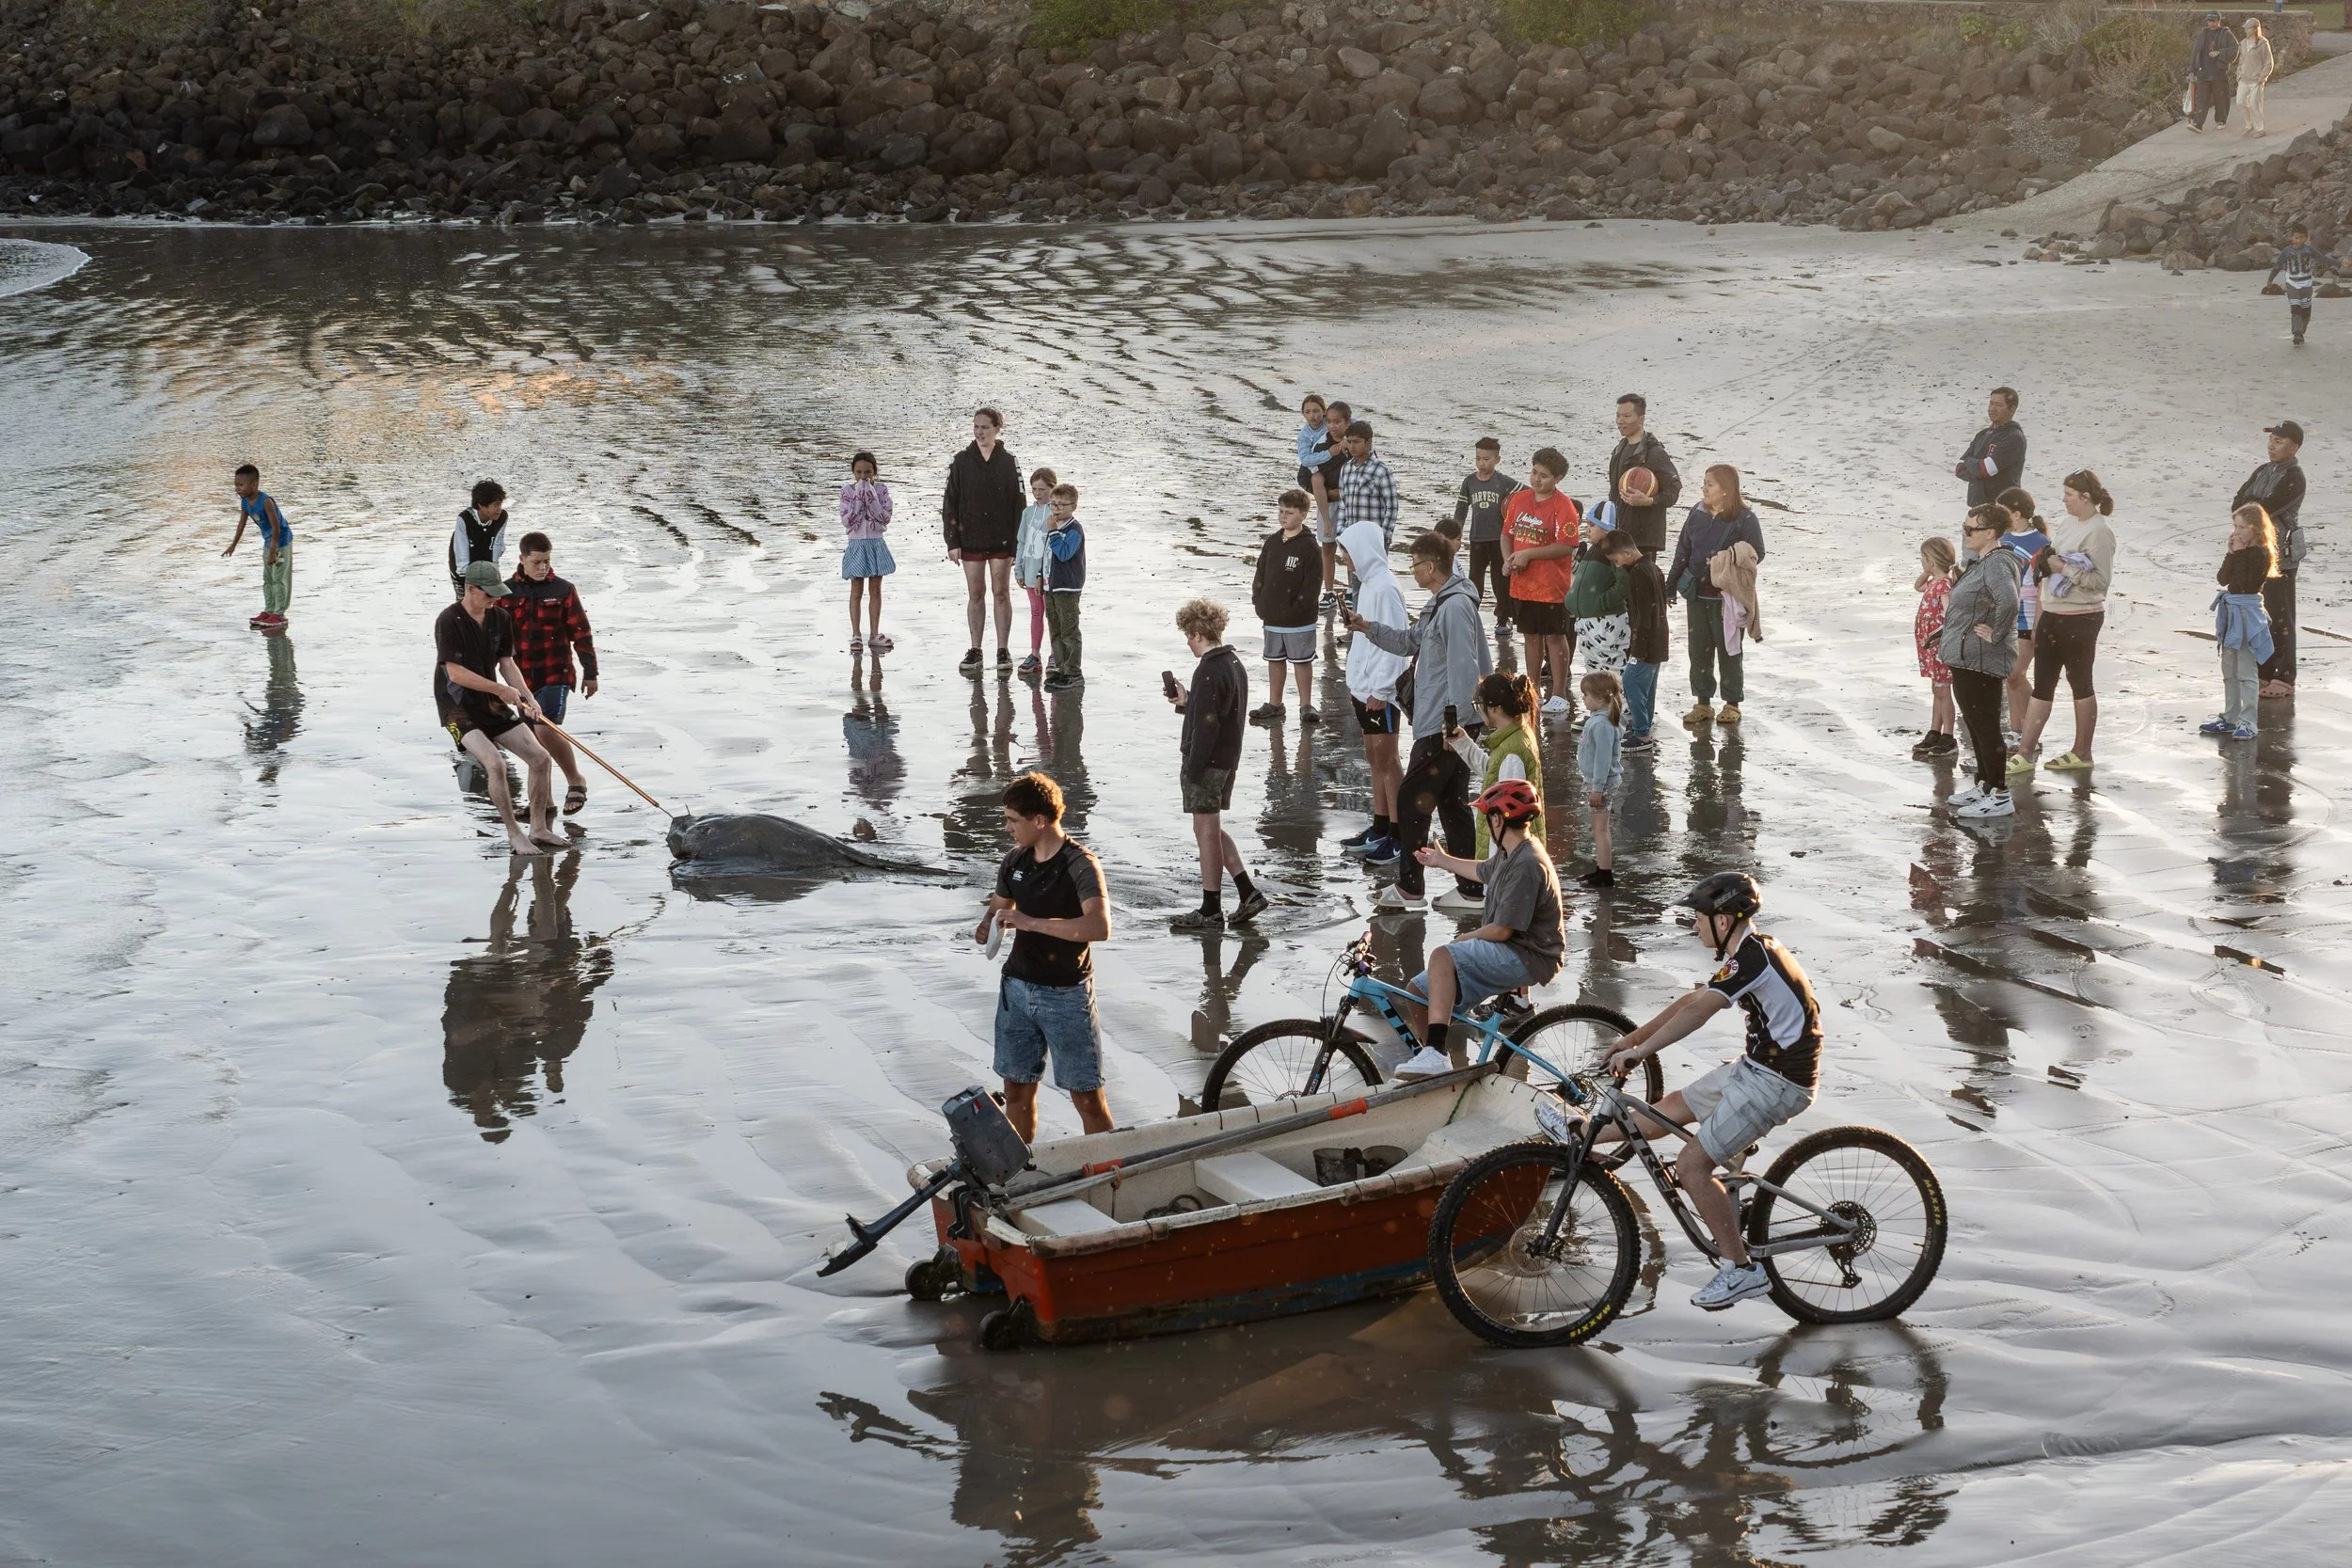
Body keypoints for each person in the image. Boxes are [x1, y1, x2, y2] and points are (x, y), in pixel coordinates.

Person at [1545, 872, 1822, 1313]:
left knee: (1692, 1166)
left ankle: (1740, 1268)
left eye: (1700, 916)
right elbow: (1689, 1003)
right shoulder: (1747, 952)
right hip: (1756, 1069)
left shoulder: (1754, 958)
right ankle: (1582, 1134)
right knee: (1666, 1109)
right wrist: (1633, 1038)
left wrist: (1642, 1053)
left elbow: (1702, 1014)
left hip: (1778, 1083)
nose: (1694, 924)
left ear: (1726, 919)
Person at [1347, 531, 1493, 913]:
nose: (1411, 570)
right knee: (1452, 805)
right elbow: (1409, 642)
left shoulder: (1456, 606)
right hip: (1442, 722)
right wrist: (1367, 627)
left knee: (1412, 801)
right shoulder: (1439, 603)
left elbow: (1465, 667)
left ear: (1430, 566)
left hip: (1446, 725)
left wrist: (1453, 725)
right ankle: (1471, 890)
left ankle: (1411, 889)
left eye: (1414, 564)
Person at [1390, 779, 1565, 1078]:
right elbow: (1483, 870)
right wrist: (1442, 861)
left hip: (1528, 955)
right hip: (1510, 948)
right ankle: (1441, 1065)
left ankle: (1435, 1054)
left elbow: (1501, 931)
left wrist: (1463, 939)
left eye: (1486, 817)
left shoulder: (1527, 863)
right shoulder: (1512, 852)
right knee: (1417, 992)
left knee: (1443, 955)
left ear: (1497, 819)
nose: (1485, 824)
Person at [977, 770, 1113, 1143]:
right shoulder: (1014, 861)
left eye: (1013, 820)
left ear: (1039, 820)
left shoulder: (1080, 864)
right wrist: (988, 923)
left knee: (1087, 1100)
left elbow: (1099, 927)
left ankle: (1113, 1178)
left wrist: (1029, 922)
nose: (1007, 828)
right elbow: (999, 906)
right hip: (1016, 990)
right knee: (1016, 1094)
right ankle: (1020, 1179)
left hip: (1066, 995)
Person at [435, 560, 566, 856]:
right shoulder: (449, 620)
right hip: (456, 707)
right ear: (470, 589)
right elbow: (454, 673)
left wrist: (526, 696)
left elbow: (506, 662)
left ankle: (539, 828)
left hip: (490, 701)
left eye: (498, 593)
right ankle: (514, 833)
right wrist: (500, 690)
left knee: (541, 758)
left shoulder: (500, 617)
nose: (495, 599)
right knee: (495, 763)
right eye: (489, 593)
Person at [1165, 599, 1267, 932]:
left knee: (1206, 833)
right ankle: (1247, 891)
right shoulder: (1232, 663)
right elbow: (1217, 711)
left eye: (1187, 635)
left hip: (1207, 763)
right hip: (1226, 760)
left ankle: (1210, 909)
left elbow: (1207, 726)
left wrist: (1191, 767)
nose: (1187, 641)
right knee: (1209, 830)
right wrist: (1187, 701)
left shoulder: (1208, 669)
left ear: (1197, 633)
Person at [2013, 471, 2116, 777]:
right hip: (2053, 614)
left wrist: (2064, 567)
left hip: (2082, 617)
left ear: (2085, 497)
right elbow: (2050, 565)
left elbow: (2100, 582)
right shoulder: (2069, 522)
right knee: (2043, 684)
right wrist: (2041, 614)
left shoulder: (2099, 532)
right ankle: (2024, 754)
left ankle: (2082, 752)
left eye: (2069, 495)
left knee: (2080, 683)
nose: (2064, 499)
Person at [503, 532, 601, 817]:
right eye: (536, 562)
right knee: (532, 740)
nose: (543, 567)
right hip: (521, 678)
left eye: (547, 561)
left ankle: (575, 779)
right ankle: (542, 802)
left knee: (546, 729)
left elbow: (581, 633)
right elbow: (494, 637)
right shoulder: (505, 592)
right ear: (522, 560)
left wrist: (590, 673)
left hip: (556, 672)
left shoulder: (563, 590)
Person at [1666, 465, 1765, 727]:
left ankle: (1732, 704)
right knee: (1698, 650)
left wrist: (1728, 559)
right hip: (1696, 595)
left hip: (1727, 598)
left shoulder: (1745, 518)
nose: (1704, 488)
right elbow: (1682, 551)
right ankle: (1703, 703)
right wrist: (1670, 583)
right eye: (1704, 483)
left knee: (1729, 649)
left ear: (1726, 489)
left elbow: (1758, 553)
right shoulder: (1696, 513)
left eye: (1710, 484)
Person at [1941, 505, 2022, 819]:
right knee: (1974, 723)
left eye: (1970, 529)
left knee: (1986, 726)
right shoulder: (1983, 561)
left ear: (1990, 533)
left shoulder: (1998, 562)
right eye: (1964, 526)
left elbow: (2010, 600)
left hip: (1981, 659)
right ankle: (1985, 785)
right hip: (1966, 657)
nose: (1965, 533)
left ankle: (2000, 794)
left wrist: (1996, 634)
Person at [1336, 520, 1409, 864]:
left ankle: (1400, 832)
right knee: (1372, 757)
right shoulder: (1366, 585)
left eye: (1347, 552)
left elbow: (1396, 644)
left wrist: (1382, 688)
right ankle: (1381, 825)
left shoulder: (1385, 588)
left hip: (1381, 690)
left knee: (1388, 759)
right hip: (1363, 686)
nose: (1343, 559)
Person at [1502, 447, 1581, 717]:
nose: (1536, 479)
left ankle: (1559, 693)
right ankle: (1532, 689)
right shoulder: (1519, 500)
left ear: (1557, 479)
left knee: (1555, 637)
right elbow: (1507, 534)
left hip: (1552, 587)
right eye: (1534, 472)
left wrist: (1529, 553)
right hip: (1522, 584)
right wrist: (1509, 559)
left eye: (1544, 476)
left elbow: (1568, 545)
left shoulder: (1564, 506)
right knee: (1530, 637)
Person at [942, 407, 1023, 673]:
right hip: (971, 539)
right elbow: (949, 502)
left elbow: (1019, 504)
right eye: (976, 426)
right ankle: (975, 649)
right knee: (976, 594)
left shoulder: (1009, 461)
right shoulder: (962, 461)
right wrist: (952, 541)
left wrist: (1016, 545)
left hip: (1001, 540)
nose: (979, 432)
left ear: (997, 428)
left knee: (1001, 593)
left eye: (985, 427)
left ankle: (1003, 650)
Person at [2231, 420, 2307, 693]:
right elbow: (2239, 503)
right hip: (2255, 553)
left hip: (2280, 555)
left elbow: (2263, 509)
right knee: (2259, 613)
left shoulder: (2294, 477)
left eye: (2279, 441)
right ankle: (2263, 671)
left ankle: (2285, 677)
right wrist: (2250, 506)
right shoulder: (2263, 470)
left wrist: (2251, 505)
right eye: (2271, 440)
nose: (2272, 446)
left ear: (2294, 447)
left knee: (2281, 614)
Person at [2206, 504, 2280, 740]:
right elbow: (2223, 579)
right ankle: (2230, 717)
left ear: (2256, 529)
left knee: (2246, 670)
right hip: (2231, 611)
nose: (2236, 532)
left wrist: (2238, 554)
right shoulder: (2239, 550)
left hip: (2247, 613)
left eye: (2241, 527)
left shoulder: (2260, 553)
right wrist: (2231, 553)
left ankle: (2248, 721)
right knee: (2229, 669)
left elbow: (2245, 584)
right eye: (2234, 526)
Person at [1250, 488, 1322, 726]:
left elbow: (1312, 587)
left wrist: (1297, 609)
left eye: (1289, 513)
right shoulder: (1272, 542)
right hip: (1271, 617)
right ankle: (1275, 703)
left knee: (1302, 661)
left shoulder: (1310, 547)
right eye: (1280, 511)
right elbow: (1260, 573)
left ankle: (1305, 705)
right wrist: (1258, 601)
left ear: (1303, 514)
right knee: (1275, 659)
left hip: (1299, 620)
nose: (1283, 516)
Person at [1994, 486, 2051, 736]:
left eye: (2003, 511)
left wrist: (2040, 623)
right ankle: (2017, 730)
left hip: (2027, 618)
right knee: (2010, 677)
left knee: (2016, 674)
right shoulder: (2004, 538)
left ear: (2016, 513)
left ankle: (2031, 731)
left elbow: (2044, 587)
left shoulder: (2041, 543)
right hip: (2006, 615)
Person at [1471, 671, 1543, 861]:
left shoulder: (1511, 754)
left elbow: (1509, 818)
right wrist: (1462, 744)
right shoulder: (1517, 736)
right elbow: (1493, 773)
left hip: (1507, 859)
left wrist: (1497, 868)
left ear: (1493, 708)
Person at [1606, 393, 1683, 562]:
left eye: (1626, 416)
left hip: (1643, 541)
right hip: (1619, 535)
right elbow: (1614, 494)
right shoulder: (1619, 450)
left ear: (1641, 418)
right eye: (1618, 415)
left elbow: (1673, 491)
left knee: (1639, 587)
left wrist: (1649, 501)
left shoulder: (1655, 453)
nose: (1620, 421)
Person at [1456, 436, 1519, 632]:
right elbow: (1461, 510)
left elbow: (1527, 495)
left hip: (1500, 540)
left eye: (1486, 459)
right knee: (1474, 579)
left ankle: (1503, 618)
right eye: (1478, 458)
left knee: (1501, 580)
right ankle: (1470, 614)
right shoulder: (1469, 482)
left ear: (1497, 460)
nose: (1481, 463)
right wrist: (1455, 534)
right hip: (1477, 539)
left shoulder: (1505, 482)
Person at [1613, 531, 1667, 752]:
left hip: (1646, 642)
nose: (1617, 566)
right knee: (1647, 686)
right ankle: (1641, 726)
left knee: (1631, 681)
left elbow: (1642, 614)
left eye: (1616, 560)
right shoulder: (1653, 568)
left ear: (1627, 553)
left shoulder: (1638, 573)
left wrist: (1637, 646)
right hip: (1658, 638)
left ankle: (1642, 733)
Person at [839, 451, 896, 655]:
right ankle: (856, 634)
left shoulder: (881, 490)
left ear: (874, 472)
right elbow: (848, 520)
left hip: (875, 543)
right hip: (856, 544)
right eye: (859, 472)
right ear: (853, 472)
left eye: (868, 472)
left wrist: (870, 495)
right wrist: (858, 497)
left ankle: (874, 634)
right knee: (856, 590)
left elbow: (884, 517)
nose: (863, 476)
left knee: (875, 589)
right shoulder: (847, 491)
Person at [225, 463, 293, 630]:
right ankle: (269, 610)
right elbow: (241, 524)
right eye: (236, 485)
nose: (237, 489)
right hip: (268, 542)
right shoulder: (246, 503)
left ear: (254, 485)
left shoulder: (266, 502)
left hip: (280, 542)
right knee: (268, 578)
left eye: (241, 485)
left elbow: (276, 527)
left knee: (278, 578)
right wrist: (233, 545)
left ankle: (279, 614)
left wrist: (273, 551)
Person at [1912, 536, 1958, 760]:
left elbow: (1948, 611)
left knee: (1943, 689)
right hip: (1929, 645)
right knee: (1936, 689)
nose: (1921, 562)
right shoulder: (1932, 582)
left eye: (1923, 559)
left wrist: (1942, 634)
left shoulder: (1943, 584)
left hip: (1939, 644)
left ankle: (1948, 734)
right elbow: (1917, 586)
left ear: (1931, 561)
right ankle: (1934, 730)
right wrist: (1929, 572)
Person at [1578, 671, 1624, 888]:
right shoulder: (1600, 720)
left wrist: (1597, 788)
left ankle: (1605, 875)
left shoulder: (1602, 724)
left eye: (1586, 695)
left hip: (1601, 784)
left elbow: (1602, 760)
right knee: (1599, 829)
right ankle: (1601, 870)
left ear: (1599, 697)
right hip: (1599, 782)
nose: (1584, 699)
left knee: (1600, 830)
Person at [1566, 524, 1632, 676]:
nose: (1587, 529)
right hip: (1586, 623)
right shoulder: (1592, 549)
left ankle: (1618, 699)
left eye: (1592, 525)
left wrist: (1602, 603)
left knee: (1612, 670)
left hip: (1605, 623)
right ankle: (1598, 699)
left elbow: (1624, 583)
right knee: (1593, 670)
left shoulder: (1613, 551)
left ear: (1606, 529)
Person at [1334, 418, 1401, 566]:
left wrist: (1384, 538)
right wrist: (1341, 534)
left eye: (1357, 442)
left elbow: (1392, 507)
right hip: (1352, 539)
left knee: (1375, 581)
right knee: (1357, 584)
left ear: (1368, 442)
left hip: (1374, 541)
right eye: (1349, 442)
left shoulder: (1381, 471)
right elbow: (1343, 504)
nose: (1352, 446)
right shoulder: (1346, 469)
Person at [2264, 228, 2342, 347]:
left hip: (2306, 284)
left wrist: (2340, 263)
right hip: (2292, 284)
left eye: (2301, 238)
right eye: (2296, 237)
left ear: (2306, 238)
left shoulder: (2308, 250)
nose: (2298, 240)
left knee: (2305, 312)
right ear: (2292, 238)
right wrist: (2270, 279)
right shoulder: (2287, 251)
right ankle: (2297, 333)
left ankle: (2301, 333)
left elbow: (2323, 258)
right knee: (2296, 308)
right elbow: (2278, 266)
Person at [1013, 467, 1057, 677]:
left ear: (1052, 488)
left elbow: (1051, 545)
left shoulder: (1055, 513)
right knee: (1036, 612)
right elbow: (1021, 541)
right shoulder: (1028, 513)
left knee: (1053, 614)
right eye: (1034, 489)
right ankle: (1035, 654)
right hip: (1029, 570)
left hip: (1049, 573)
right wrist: (1019, 569)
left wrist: (1042, 574)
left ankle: (1055, 654)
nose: (1038, 493)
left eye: (1042, 489)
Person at [1042, 483, 1085, 692]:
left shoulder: (1074, 529)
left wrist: (1053, 533)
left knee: (1069, 631)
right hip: (1051, 587)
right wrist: (1041, 577)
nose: (1056, 509)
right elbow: (1047, 557)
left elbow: (1064, 553)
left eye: (1061, 505)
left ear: (1073, 507)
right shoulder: (1053, 527)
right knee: (1055, 630)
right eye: (1053, 505)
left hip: (1068, 588)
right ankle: (1060, 668)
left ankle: (1073, 672)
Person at [1953, 388, 2026, 507]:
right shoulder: (1983, 434)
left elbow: (1987, 469)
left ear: (2012, 409)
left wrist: (1970, 462)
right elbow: (1959, 469)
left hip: (2002, 508)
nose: (1992, 408)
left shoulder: (2014, 437)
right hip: (1977, 506)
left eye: (1998, 405)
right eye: (1991, 403)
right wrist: (1978, 465)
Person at [1313, 399, 1354, 606]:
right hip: (1327, 503)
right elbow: (1309, 473)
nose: (1332, 426)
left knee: (1349, 548)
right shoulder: (1321, 444)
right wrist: (1330, 493)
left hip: (1351, 504)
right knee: (1327, 547)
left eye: (1337, 422)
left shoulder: (1356, 442)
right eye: (1329, 421)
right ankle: (1328, 592)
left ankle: (1351, 589)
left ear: (1348, 422)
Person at [449, 480, 508, 601]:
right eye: (495, 505)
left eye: (500, 504)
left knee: (491, 604)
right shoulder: (464, 519)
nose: (499, 509)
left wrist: (494, 577)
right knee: (466, 605)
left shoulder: (502, 518)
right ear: (481, 504)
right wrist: (466, 583)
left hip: (487, 566)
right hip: (462, 569)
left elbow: (496, 547)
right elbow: (461, 555)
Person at [2185, 10, 2238, 133]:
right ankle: (2198, 124)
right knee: (2201, 99)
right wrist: (2191, 70)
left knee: (2220, 98)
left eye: (2214, 21)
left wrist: (2219, 53)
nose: (2212, 24)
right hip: (2203, 73)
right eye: (2210, 21)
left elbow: (2235, 49)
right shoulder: (2202, 34)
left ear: (2219, 21)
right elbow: (2195, 53)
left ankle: (2221, 120)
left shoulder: (2226, 34)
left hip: (2219, 72)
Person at [2236, 17, 2274, 137]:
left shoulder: (2263, 44)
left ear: (2255, 29)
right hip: (2244, 78)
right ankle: (2249, 125)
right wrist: (2238, 74)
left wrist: (2262, 77)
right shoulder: (2242, 43)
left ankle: (2260, 129)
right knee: (2240, 102)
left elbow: (2269, 63)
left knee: (2254, 104)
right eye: (2245, 28)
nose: (2246, 30)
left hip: (2256, 80)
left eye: (2248, 28)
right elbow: (2241, 60)